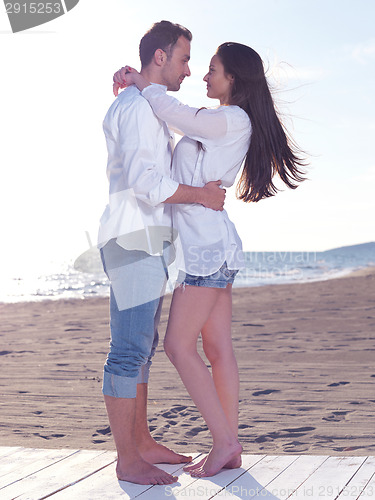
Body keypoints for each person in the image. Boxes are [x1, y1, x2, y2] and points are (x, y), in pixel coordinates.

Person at [113, 42, 306, 478]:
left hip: (205, 253)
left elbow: (176, 114)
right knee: (217, 349)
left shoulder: (230, 119)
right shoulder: (225, 122)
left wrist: (141, 82)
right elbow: (181, 127)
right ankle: (229, 446)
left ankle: (225, 442)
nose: (204, 76)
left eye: (212, 69)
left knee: (178, 346)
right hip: (213, 248)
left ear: (233, 78)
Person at [98, 21, 226, 486]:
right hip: (134, 238)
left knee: (141, 349)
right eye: (184, 59)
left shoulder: (143, 104)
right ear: (160, 57)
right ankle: (127, 458)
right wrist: (202, 196)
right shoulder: (134, 109)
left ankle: (142, 442)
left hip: (146, 240)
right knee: (129, 351)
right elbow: (146, 184)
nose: (188, 69)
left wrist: (134, 80)